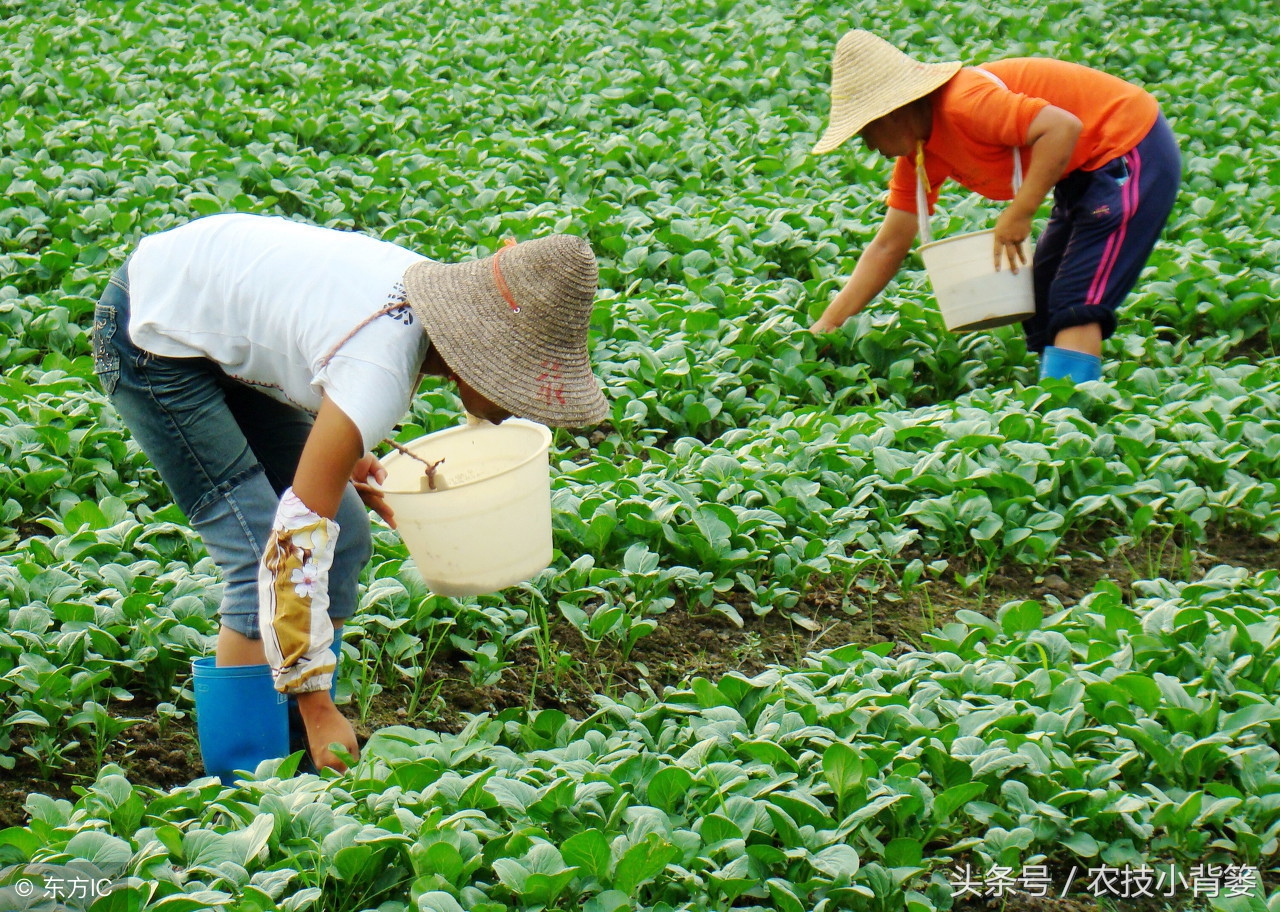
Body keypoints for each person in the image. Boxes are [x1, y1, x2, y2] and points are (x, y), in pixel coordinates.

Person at [92, 213, 608, 777]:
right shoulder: (378, 370)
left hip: (207, 318)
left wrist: (341, 441)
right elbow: (290, 548)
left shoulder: (411, 311)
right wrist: (320, 710)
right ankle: (244, 785)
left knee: (348, 529)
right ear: (477, 350)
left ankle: (298, 766)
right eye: (519, 377)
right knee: (255, 552)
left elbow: (308, 331)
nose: (519, 404)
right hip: (150, 334)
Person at [808, 30, 1180, 382]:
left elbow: (1062, 128)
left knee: (1075, 301)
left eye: (864, 133)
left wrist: (1020, 212)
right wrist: (829, 324)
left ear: (890, 113)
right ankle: (1056, 397)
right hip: (1080, 171)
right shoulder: (919, 155)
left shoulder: (964, 104)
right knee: (1041, 299)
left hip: (1129, 146)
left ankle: (1070, 418)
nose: (869, 146)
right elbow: (889, 244)